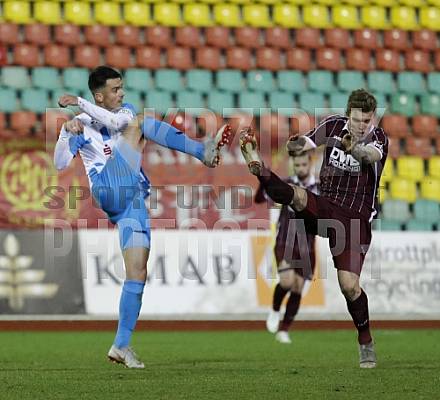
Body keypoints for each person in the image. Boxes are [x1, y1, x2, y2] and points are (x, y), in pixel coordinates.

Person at [54, 66, 231, 368]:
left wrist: (79, 103)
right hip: (108, 189)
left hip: (131, 202)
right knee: (141, 123)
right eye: (115, 89)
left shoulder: (123, 113)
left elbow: (115, 122)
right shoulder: (82, 123)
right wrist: (65, 133)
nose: (121, 93)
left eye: (121, 87)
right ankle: (202, 151)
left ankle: (121, 345)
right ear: (99, 95)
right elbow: (60, 163)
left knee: (137, 273)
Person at [240, 89, 388, 368]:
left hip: (355, 220)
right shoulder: (333, 125)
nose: (361, 125)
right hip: (327, 205)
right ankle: (260, 169)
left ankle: (365, 340)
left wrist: (353, 148)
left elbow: (369, 156)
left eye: (366, 120)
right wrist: (294, 144)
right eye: (357, 119)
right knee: (296, 196)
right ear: (348, 114)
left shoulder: (378, 137)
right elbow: (306, 142)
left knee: (349, 286)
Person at [255, 153, 318, 344]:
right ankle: (275, 309)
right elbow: (259, 198)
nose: (301, 168)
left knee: (298, 287)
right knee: (286, 281)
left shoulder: (320, 188)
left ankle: (284, 329)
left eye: (303, 164)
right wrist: (264, 177)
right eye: (297, 165)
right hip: (285, 240)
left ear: (310, 164)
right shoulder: (285, 184)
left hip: (307, 244)